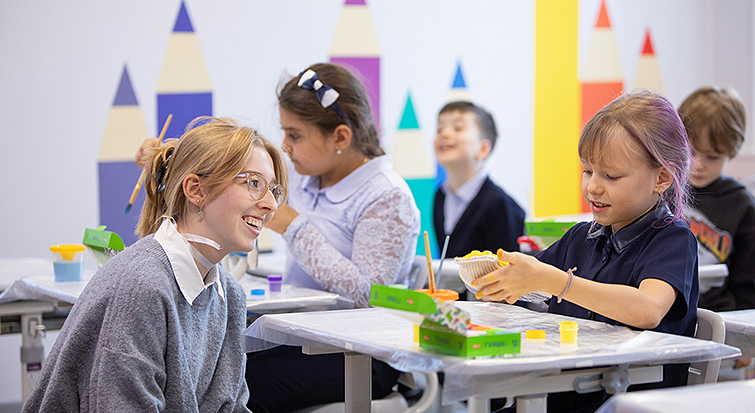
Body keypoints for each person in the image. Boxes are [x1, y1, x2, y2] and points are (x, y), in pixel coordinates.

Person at [24, 117, 287, 413]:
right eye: (253, 183)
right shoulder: (143, 286)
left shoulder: (230, 295)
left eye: (273, 190)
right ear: (197, 190)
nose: (271, 204)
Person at [472, 90, 698, 413]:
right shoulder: (581, 238)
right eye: (588, 171)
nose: (592, 187)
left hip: (629, 404)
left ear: (661, 177)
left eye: (611, 176)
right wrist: (497, 281)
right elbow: (526, 284)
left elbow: (647, 309)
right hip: (563, 396)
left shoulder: (672, 240)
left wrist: (558, 282)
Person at [245, 63, 421, 412]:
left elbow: (369, 295)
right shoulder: (305, 176)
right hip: (305, 336)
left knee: (244, 387)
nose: (284, 146)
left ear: (340, 137)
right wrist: (171, 164)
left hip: (364, 352)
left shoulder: (387, 197)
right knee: (211, 370)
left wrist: (294, 227)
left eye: (295, 135)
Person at [677, 86, 755, 312]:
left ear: (732, 152)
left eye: (712, 156)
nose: (698, 164)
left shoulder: (743, 206)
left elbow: (748, 290)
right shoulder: (663, 188)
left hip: (719, 318)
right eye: (690, 152)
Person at [433, 101, 526, 258]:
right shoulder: (440, 196)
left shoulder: (501, 204)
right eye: (440, 129)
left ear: (483, 149)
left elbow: (510, 266)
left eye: (458, 128)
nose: (445, 134)